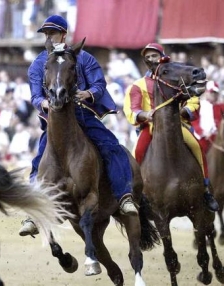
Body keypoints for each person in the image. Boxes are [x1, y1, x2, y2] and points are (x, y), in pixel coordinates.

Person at [18, 15, 138, 237]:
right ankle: (34, 214)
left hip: (84, 114)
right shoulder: (38, 64)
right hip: (55, 121)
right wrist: (43, 102)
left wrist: (88, 93)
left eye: (52, 33)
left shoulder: (85, 58)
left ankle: (124, 196)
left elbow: (99, 85)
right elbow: (35, 95)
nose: (49, 37)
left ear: (63, 34)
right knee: (38, 159)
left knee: (112, 146)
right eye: (46, 34)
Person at [123, 43, 219, 212]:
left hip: (177, 125)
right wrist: (144, 115)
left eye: (155, 55)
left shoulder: (175, 76)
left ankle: (205, 190)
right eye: (149, 57)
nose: (152, 59)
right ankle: (133, 194)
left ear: (162, 56)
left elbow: (193, 99)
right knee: (136, 153)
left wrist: (186, 110)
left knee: (197, 146)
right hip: (151, 127)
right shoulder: (138, 85)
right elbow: (132, 108)